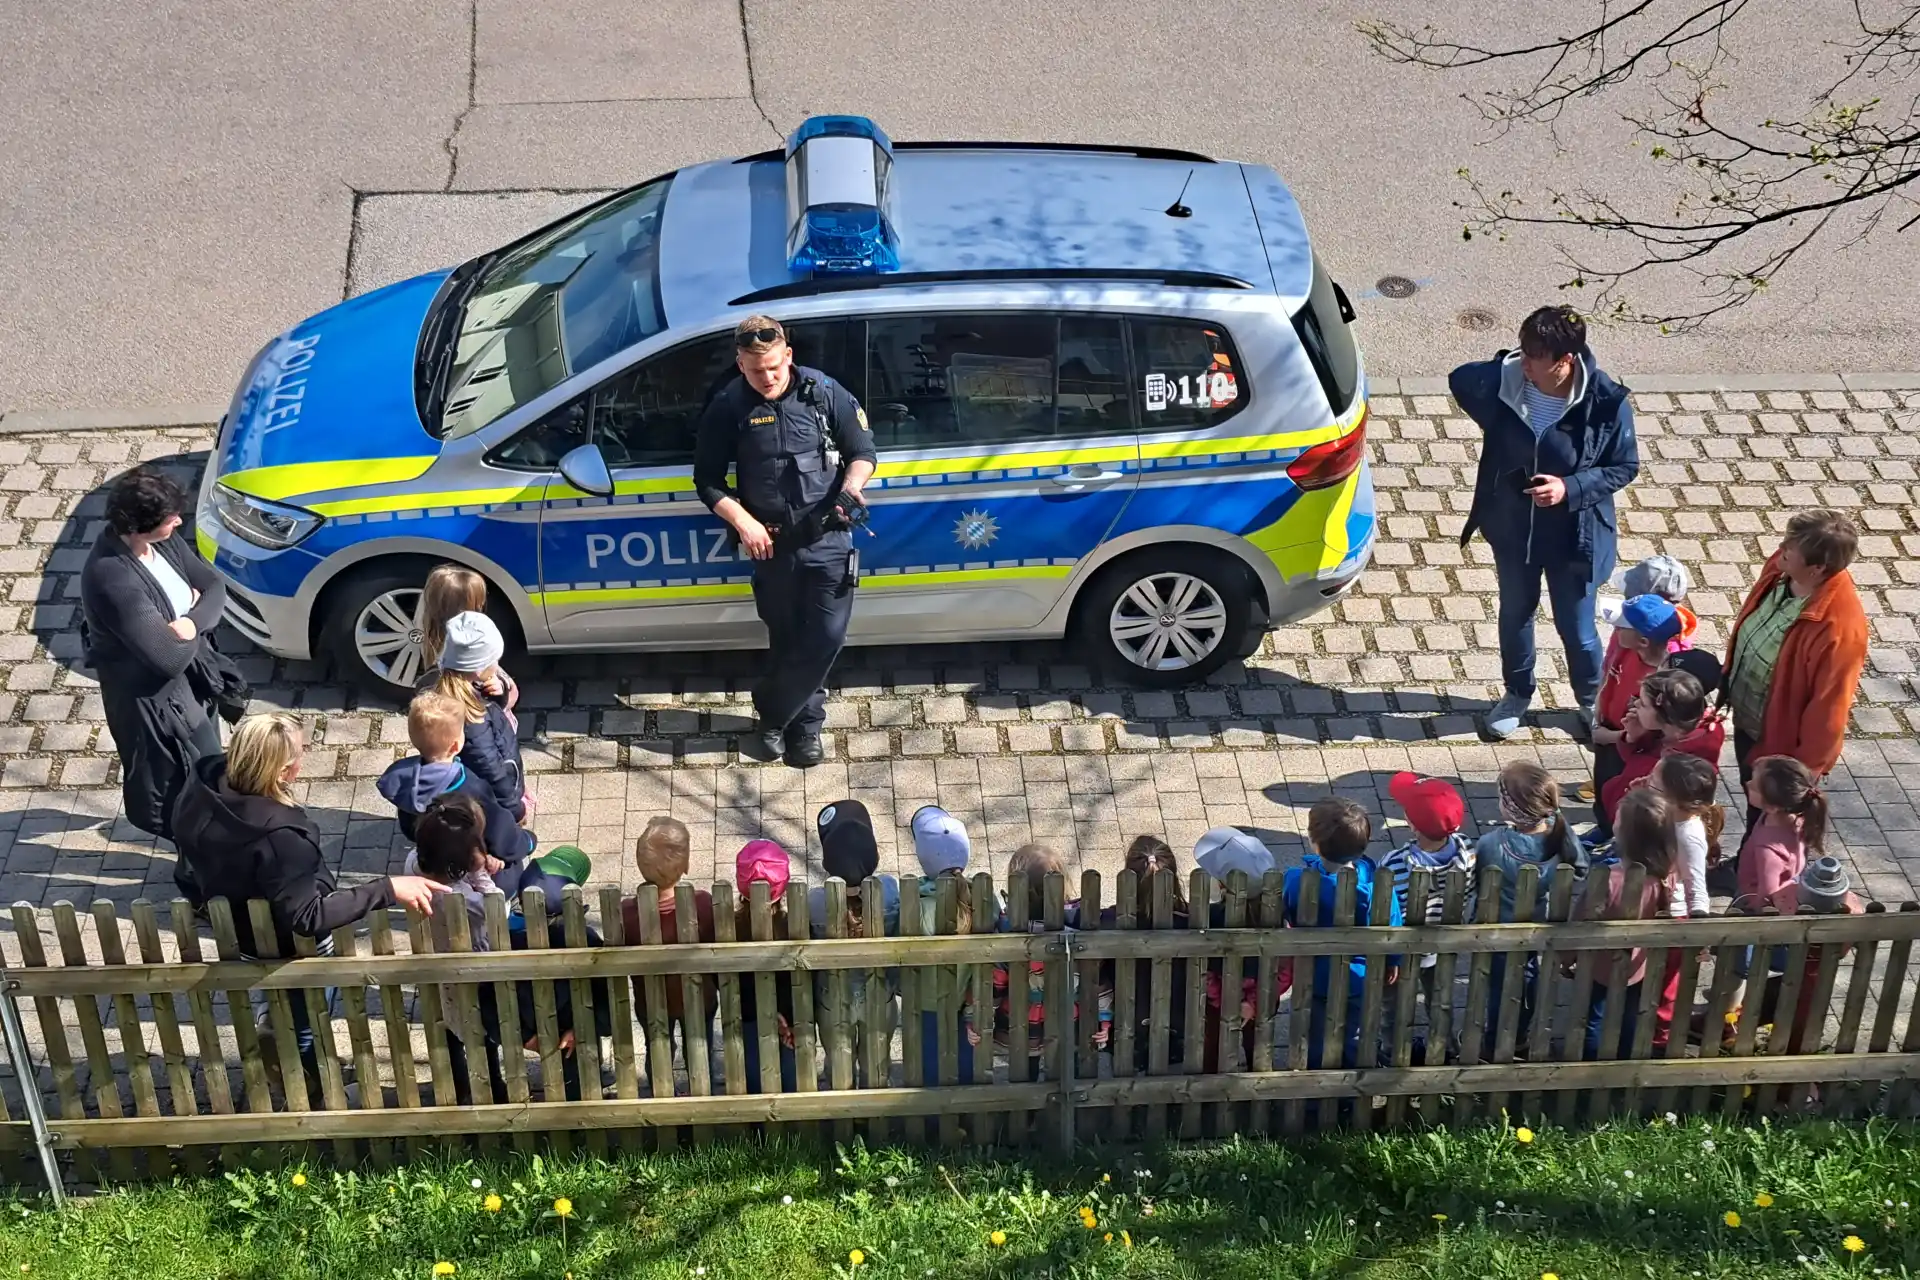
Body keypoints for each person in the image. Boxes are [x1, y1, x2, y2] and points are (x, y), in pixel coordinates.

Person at [171, 712, 444, 1100]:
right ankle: (308, 1085)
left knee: (279, 988)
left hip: (237, 928)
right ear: (282, 771)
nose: (305, 756)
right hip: (290, 943)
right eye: (301, 752)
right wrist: (386, 888)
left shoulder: (200, 787)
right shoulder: (280, 838)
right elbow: (307, 915)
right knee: (310, 1009)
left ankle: (274, 1022)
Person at [693, 314, 878, 768]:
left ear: (788, 356)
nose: (768, 378)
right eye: (756, 370)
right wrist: (743, 522)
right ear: (740, 364)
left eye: (775, 367)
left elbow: (864, 453)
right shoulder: (728, 406)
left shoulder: (823, 392)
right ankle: (804, 728)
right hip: (771, 547)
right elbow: (708, 481)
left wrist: (852, 487)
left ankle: (773, 714)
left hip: (828, 538)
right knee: (788, 638)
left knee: (827, 636)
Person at [1451, 306, 1640, 739]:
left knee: (1575, 626)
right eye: (1523, 350)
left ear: (1566, 361)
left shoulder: (1605, 402)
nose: (1526, 363)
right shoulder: (1508, 381)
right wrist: (1505, 364)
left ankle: (1592, 699)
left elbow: (1624, 466)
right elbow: (1460, 378)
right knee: (1515, 613)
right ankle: (1517, 693)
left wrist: (1569, 488)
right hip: (1513, 530)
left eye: (1536, 356)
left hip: (1574, 537)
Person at [81, 467, 230, 849]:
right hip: (159, 704)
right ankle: (202, 862)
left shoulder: (161, 542)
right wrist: (192, 623)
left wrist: (190, 623)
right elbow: (167, 660)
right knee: (190, 784)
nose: (179, 521)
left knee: (210, 768)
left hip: (193, 683)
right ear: (139, 526)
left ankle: (215, 840)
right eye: (169, 518)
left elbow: (213, 586)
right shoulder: (112, 578)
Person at [1723, 510, 1867, 826]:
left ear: (1817, 569)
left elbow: (1830, 708)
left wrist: (1803, 775)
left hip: (1778, 742)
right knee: (1753, 803)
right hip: (1751, 719)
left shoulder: (1839, 629)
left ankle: (1755, 870)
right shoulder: (1783, 567)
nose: (1780, 547)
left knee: (1765, 817)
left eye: (1791, 547)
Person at [1281, 798, 1402, 1070]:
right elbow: (1393, 925)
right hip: (1360, 977)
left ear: (1315, 841)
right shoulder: (1376, 885)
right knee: (1354, 1031)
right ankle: (1350, 1083)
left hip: (1314, 976)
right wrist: (1393, 960)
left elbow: (1285, 911)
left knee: (1312, 1035)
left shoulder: (1297, 880)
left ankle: (1313, 1088)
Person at [1572, 786, 1677, 1059]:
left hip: (1599, 964)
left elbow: (1580, 922)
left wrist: (1565, 957)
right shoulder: (1666, 878)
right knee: (1632, 1015)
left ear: (1626, 834)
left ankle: (1589, 1062)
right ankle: (1627, 1058)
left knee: (1591, 1017)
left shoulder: (1607, 879)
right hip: (1639, 965)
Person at [378, 693, 536, 874]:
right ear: (455, 746)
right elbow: (499, 829)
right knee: (510, 873)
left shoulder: (404, 779)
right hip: (469, 857)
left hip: (433, 854)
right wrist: (526, 842)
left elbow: (408, 827)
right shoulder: (470, 787)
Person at [619, 815, 718, 1089]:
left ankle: (662, 1091)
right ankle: (702, 1090)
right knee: (699, 1045)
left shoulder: (627, 913)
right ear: (685, 865)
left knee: (658, 1048)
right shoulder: (703, 904)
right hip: (699, 999)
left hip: (650, 1003)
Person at [808, 800, 901, 1085]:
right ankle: (871, 1120)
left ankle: (842, 1121)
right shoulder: (888, 892)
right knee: (877, 1061)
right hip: (879, 994)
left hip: (831, 999)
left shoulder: (814, 903)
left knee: (838, 1064)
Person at [1381, 772, 1472, 1020]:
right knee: (1440, 1001)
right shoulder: (1470, 852)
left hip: (1404, 950)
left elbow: (1389, 912)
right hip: (1444, 943)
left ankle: (1393, 1050)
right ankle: (1443, 1047)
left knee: (1395, 1007)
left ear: (1411, 824)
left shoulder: (1394, 863)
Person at [1590, 594, 1686, 827]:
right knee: (1603, 785)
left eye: (1622, 626)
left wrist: (1610, 738)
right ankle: (1603, 827)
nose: (1615, 627)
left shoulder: (1662, 680)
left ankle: (1619, 835)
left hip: (1627, 745)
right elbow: (1610, 678)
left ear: (1643, 641)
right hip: (1608, 730)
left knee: (1624, 793)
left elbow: (1650, 735)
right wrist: (1599, 713)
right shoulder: (1626, 648)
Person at [432, 611, 530, 822]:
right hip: (493, 805)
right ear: (478, 668)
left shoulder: (457, 688)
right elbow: (492, 772)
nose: (497, 664)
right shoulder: (473, 723)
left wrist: (499, 694)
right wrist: (515, 809)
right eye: (494, 660)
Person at [1599, 667, 1724, 832]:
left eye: (1643, 703)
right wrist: (1632, 737)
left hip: (1643, 824)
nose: (1636, 704)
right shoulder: (1670, 730)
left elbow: (1634, 765)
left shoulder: (1676, 765)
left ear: (1665, 718)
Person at [908, 805, 980, 1084]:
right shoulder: (982, 898)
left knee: (929, 1065)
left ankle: (934, 1121)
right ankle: (964, 1115)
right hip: (970, 999)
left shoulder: (917, 904)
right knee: (965, 1061)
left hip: (926, 1001)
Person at [732, 840, 802, 1094]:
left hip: (746, 1015)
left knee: (751, 1070)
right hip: (788, 1020)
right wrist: (785, 1016)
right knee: (790, 1071)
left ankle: (756, 1131)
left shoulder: (730, 928)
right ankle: (795, 1127)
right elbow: (801, 979)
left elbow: (722, 980)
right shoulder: (792, 927)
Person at [417, 565, 517, 719]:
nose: (481, 608)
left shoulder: (437, 661)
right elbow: (511, 696)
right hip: (488, 731)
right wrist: (501, 691)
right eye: (478, 605)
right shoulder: (474, 647)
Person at [1736, 756, 1826, 912]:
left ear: (1772, 807)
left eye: (1754, 786)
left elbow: (1767, 896)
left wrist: (1753, 912)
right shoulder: (1797, 818)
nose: (1747, 783)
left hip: (1753, 898)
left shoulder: (1768, 851)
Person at [1648, 753, 1720, 919]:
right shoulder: (1665, 816)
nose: (1646, 781)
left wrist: (1696, 931)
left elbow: (1696, 888)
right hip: (1652, 904)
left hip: (1671, 915)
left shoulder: (1688, 836)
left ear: (1673, 799)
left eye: (1653, 781)